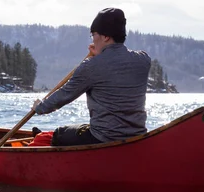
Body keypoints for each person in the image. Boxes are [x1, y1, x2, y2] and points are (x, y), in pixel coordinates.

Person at [32, 8, 151, 146]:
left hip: (103, 138)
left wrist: (39, 107)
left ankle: (41, 141)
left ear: (105, 36)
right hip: (136, 136)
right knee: (76, 129)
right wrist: (102, 55)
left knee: (60, 133)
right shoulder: (143, 60)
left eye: (94, 34)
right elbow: (116, 65)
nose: (93, 39)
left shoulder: (91, 66)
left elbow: (64, 95)